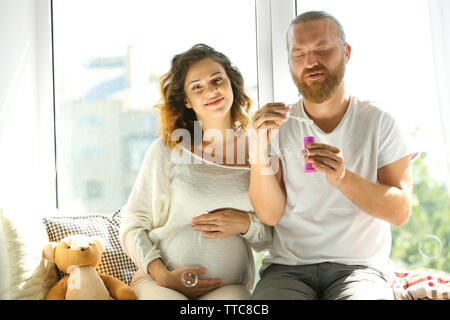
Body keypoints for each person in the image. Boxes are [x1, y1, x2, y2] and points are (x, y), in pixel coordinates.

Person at [249, 11, 416, 300]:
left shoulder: (379, 122)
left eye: (322, 50)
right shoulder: (277, 127)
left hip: (360, 270)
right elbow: (269, 214)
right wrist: (257, 149)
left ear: (346, 52)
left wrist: (343, 179)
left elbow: (399, 212)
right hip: (287, 269)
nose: (310, 62)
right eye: (299, 54)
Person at [119, 44, 272, 300]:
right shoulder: (168, 151)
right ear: (187, 100)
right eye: (197, 87)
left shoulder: (258, 149)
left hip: (229, 287)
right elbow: (132, 225)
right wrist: (163, 275)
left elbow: (271, 235)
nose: (210, 90)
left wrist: (246, 224)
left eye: (217, 80)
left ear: (232, 84)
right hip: (161, 284)